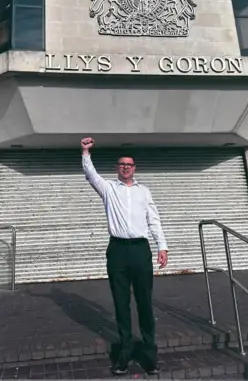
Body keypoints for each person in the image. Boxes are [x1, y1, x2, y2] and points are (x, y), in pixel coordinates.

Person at [81, 137, 168, 375]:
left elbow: (154, 220)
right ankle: (125, 353)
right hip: (117, 250)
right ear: (117, 168)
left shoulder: (144, 191)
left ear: (134, 168)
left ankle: (149, 355)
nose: (126, 167)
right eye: (121, 164)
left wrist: (163, 246)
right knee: (121, 304)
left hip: (140, 250)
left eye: (129, 164)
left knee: (144, 303)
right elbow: (90, 175)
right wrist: (86, 152)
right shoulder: (108, 188)